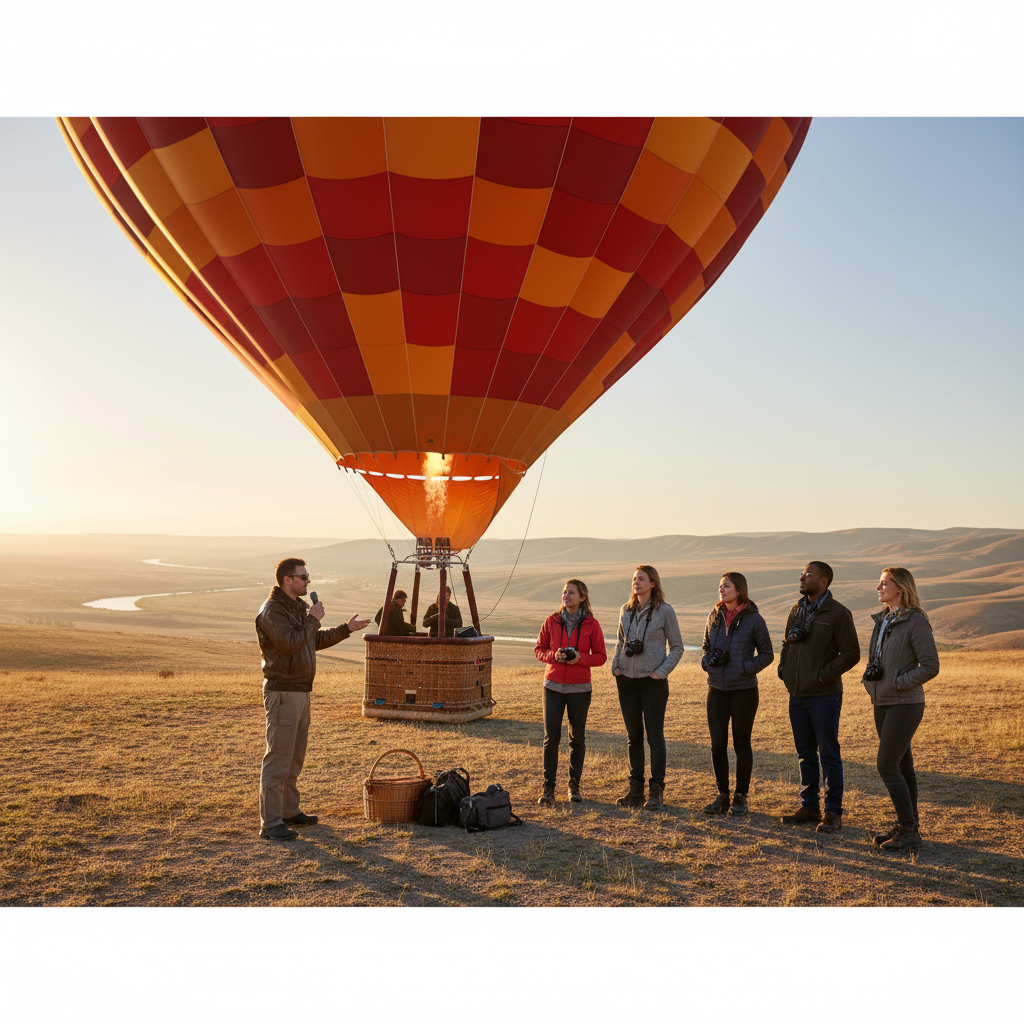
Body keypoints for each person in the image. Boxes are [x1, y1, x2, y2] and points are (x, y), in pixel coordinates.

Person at [256, 558, 370, 841]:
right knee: (278, 760)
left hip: (300, 690)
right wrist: (313, 619)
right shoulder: (273, 611)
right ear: (287, 580)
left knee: (294, 758)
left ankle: (289, 811)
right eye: (303, 577)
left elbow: (312, 641)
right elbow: (291, 644)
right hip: (283, 692)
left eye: (308, 577)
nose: (308, 582)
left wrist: (347, 628)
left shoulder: (295, 608)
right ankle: (270, 824)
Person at [778, 561, 861, 833]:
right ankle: (810, 807)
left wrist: (823, 675)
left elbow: (851, 653)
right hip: (797, 693)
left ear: (823, 581)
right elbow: (787, 643)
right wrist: (785, 670)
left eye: (808, 574)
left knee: (828, 753)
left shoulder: (838, 613)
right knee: (805, 754)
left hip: (824, 695)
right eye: (802, 573)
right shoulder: (797, 609)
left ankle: (833, 812)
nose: (801, 577)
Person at [864, 566, 939, 853]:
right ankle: (908, 825)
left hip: (905, 703)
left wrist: (898, 683)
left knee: (887, 766)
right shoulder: (883, 619)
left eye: (884, 583)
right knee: (903, 767)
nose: (879, 588)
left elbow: (931, 665)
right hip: (881, 701)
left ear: (901, 588)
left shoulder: (915, 621)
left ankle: (908, 832)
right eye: (879, 583)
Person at [700, 572, 774, 817]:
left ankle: (740, 798)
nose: (721, 589)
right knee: (717, 745)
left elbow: (767, 654)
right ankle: (722, 795)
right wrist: (706, 662)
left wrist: (744, 668)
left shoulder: (754, 619)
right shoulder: (714, 616)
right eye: (720, 585)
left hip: (743, 690)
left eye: (727, 586)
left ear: (739, 590)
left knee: (741, 744)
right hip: (716, 690)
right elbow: (705, 647)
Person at [611, 565, 684, 810]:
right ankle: (635, 790)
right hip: (627, 681)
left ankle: (656, 792)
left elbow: (677, 647)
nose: (636, 582)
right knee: (633, 738)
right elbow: (620, 641)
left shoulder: (665, 611)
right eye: (634, 579)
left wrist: (660, 673)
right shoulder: (625, 609)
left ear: (653, 583)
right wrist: (616, 668)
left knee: (655, 738)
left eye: (641, 579)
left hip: (653, 682)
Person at [534, 579, 607, 806]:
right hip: (553, 687)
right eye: (565, 592)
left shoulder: (592, 624)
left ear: (582, 597)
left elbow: (601, 656)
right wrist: (552, 656)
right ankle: (549, 788)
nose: (566, 596)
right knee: (551, 739)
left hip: (580, 689)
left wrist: (580, 658)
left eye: (571, 593)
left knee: (577, 739)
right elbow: (539, 649)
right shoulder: (551, 621)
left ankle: (573, 786)